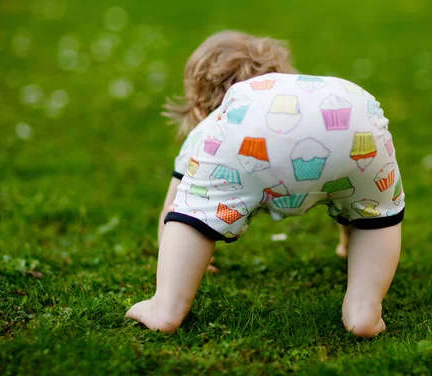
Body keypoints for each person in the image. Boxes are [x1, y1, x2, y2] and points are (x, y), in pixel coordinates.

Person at [126, 31, 405, 338]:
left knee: (194, 210)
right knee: (373, 210)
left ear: (200, 100)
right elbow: (353, 204)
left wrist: (189, 258)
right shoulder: (308, 95)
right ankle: (363, 310)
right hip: (356, 114)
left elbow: (176, 207)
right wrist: (347, 241)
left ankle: (166, 306)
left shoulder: (218, 123)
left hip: (248, 140)